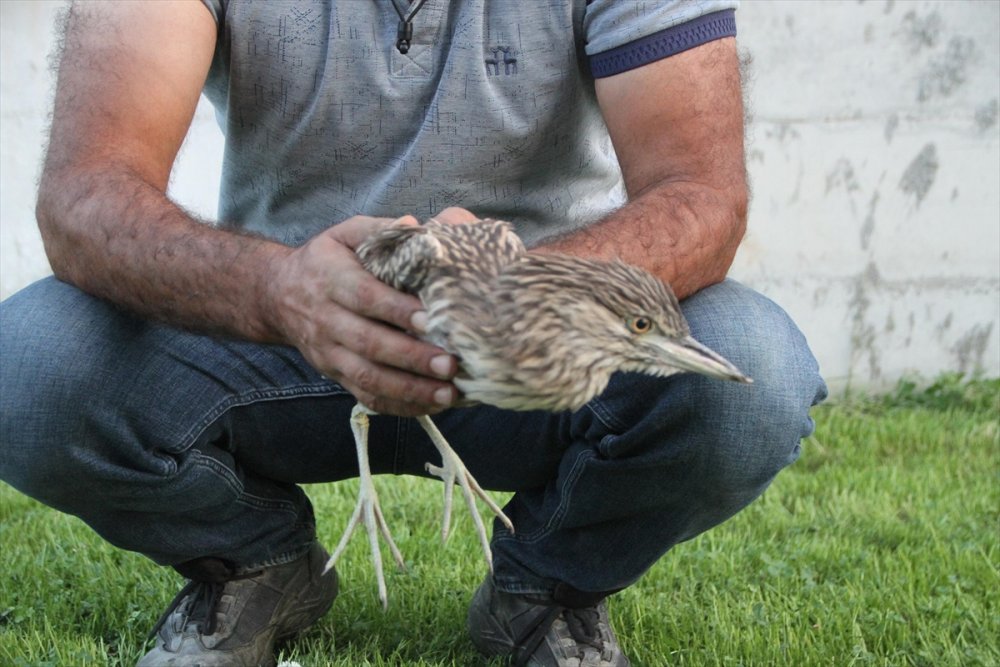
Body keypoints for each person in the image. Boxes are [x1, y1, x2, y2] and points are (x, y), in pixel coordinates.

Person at [0, 1, 826, 665]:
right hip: (279, 328)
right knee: (27, 361)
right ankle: (251, 561)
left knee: (752, 369)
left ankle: (545, 592)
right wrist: (280, 289)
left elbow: (703, 193)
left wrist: (518, 289)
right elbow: (84, 193)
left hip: (522, 345)